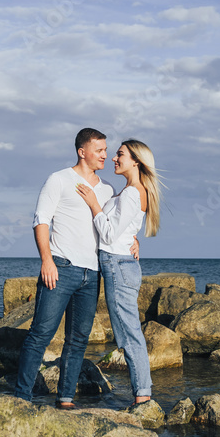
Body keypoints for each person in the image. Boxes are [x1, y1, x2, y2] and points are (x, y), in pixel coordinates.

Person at [14, 127, 115, 409]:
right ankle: (22, 398)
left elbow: (112, 227)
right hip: (61, 267)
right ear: (83, 152)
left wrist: (132, 242)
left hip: (92, 274)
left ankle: (66, 398)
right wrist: (46, 260)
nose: (105, 155)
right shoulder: (58, 180)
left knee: (78, 340)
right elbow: (41, 221)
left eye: (106, 150)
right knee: (40, 335)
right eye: (100, 150)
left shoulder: (107, 189)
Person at [76, 139, 162, 406]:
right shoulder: (132, 192)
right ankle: (143, 393)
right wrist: (133, 240)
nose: (114, 158)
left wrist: (93, 204)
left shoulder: (132, 193)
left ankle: (143, 395)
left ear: (136, 160)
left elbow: (110, 233)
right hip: (121, 263)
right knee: (128, 331)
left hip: (117, 265)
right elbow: (125, 229)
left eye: (120, 154)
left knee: (128, 333)